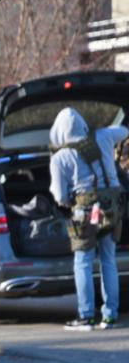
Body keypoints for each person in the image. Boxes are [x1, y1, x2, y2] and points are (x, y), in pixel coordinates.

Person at [49, 107, 125, 330]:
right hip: (112, 208)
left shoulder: (60, 158)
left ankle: (86, 317)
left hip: (84, 213)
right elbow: (123, 130)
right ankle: (110, 315)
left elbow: (60, 195)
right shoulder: (104, 136)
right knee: (108, 260)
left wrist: (68, 202)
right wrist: (102, 131)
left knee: (83, 262)